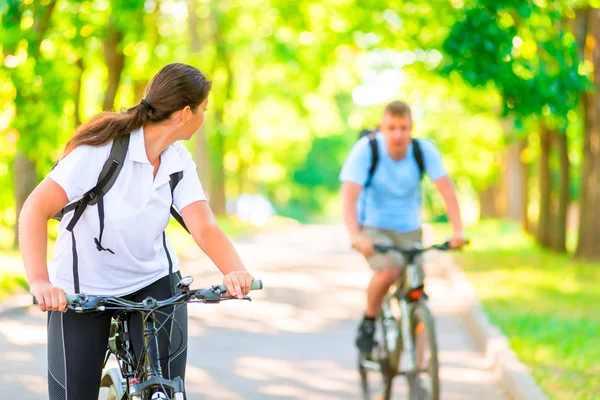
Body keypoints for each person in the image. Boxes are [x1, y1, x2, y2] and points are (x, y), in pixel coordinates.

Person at [19, 63, 255, 399]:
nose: (205, 117)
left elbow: (203, 224)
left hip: (153, 281)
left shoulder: (177, 160)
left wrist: (234, 270)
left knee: (166, 391)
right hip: (84, 288)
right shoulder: (99, 153)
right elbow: (34, 209)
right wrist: (40, 282)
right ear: (186, 113)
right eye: (204, 110)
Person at [339, 100, 467, 354]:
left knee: (417, 293)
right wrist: (355, 235)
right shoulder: (367, 150)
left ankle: (420, 374)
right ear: (382, 128)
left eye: (404, 128)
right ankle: (369, 320)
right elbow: (349, 197)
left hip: (410, 229)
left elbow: (447, 191)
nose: (398, 134)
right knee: (389, 270)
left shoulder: (423, 150)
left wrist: (458, 231)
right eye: (392, 128)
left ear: (412, 128)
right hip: (375, 228)